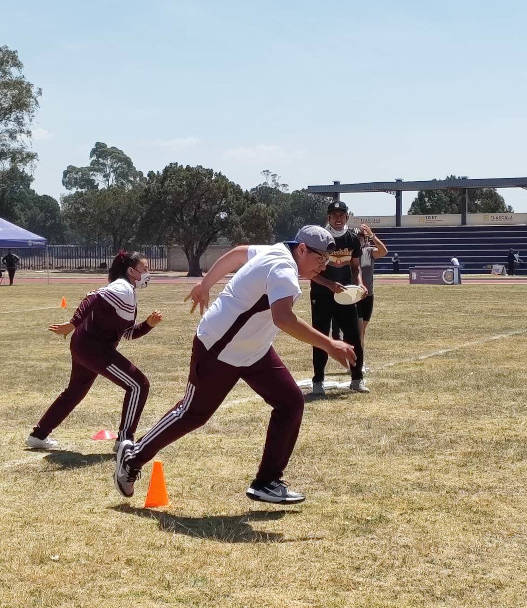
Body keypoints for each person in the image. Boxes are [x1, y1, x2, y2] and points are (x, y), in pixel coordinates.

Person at [113, 226, 355, 504]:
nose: (323, 266)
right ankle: (132, 457)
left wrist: (205, 285)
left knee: (290, 403)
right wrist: (330, 344)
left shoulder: (276, 250)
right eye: (320, 259)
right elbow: (284, 319)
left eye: (327, 261)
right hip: (219, 347)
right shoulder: (283, 269)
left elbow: (238, 254)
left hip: (253, 351)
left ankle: (267, 482)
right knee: (192, 413)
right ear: (301, 249)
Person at [27, 251, 162, 450]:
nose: (148, 273)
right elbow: (92, 297)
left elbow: (128, 334)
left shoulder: (128, 291)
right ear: (131, 271)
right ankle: (125, 440)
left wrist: (148, 324)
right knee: (139, 385)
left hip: (84, 345)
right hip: (93, 348)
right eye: (145, 269)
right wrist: (73, 323)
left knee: (74, 392)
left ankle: (38, 435)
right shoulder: (122, 287)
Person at [309, 201, 367, 395]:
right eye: (334, 215)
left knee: (354, 337)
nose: (338, 218)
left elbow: (355, 266)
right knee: (320, 337)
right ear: (328, 218)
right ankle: (318, 382)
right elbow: (309, 271)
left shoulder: (352, 239)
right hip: (321, 295)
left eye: (341, 215)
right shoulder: (319, 239)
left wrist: (359, 283)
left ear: (347, 217)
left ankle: (357, 379)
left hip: (345, 296)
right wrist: (329, 285)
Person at [356, 223, 388, 352]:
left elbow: (384, 251)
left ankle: (358, 360)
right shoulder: (351, 252)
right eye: (357, 237)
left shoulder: (369, 251)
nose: (359, 239)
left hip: (368, 295)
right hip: (355, 295)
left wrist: (372, 235)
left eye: (362, 237)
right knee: (358, 330)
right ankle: (357, 362)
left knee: (363, 329)